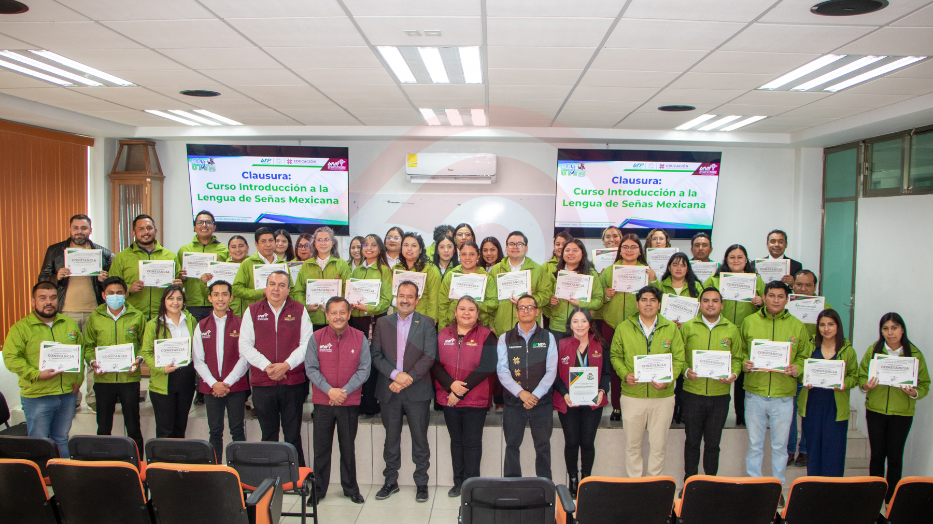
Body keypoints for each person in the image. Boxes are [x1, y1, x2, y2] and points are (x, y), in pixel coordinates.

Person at [740, 281, 811, 506]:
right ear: (764, 297)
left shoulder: (797, 325)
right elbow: (740, 351)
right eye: (772, 295)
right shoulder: (749, 321)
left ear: (787, 299)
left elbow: (805, 355)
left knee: (780, 447)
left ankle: (777, 488)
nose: (776, 300)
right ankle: (755, 486)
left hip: (783, 394)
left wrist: (798, 367)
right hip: (755, 392)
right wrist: (744, 363)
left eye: (781, 296)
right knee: (755, 445)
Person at [370, 281, 438, 503]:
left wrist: (406, 378)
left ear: (417, 300)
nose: (405, 300)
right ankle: (390, 481)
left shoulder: (427, 323)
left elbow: (429, 356)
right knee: (391, 440)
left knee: (420, 440)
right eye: (401, 295)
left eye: (410, 296)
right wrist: (395, 375)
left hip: (417, 390)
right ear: (395, 298)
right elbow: (375, 355)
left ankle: (421, 483)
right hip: (389, 390)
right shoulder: (383, 322)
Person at [38, 213, 113, 410]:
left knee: (94, 356)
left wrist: (104, 280)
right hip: (65, 312)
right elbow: (42, 279)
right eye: (76, 228)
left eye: (83, 228)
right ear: (70, 229)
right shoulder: (55, 250)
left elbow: (113, 286)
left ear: (90, 230)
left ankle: (93, 398)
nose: (79, 232)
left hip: (94, 312)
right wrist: (56, 276)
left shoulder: (103, 253)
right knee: (69, 357)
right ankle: (72, 399)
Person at [239, 271, 312, 466]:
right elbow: (244, 345)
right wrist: (267, 366)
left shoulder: (299, 310)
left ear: (288, 290)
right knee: (268, 435)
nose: (276, 289)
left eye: (281, 285)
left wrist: (286, 365)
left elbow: (307, 344)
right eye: (272, 284)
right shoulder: (252, 310)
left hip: (292, 382)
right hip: (263, 383)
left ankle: (297, 477)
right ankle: (270, 476)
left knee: (293, 435)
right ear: (265, 287)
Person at [611, 285, 685, 478]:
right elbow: (615, 355)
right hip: (633, 395)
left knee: (659, 446)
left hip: (662, 396)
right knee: (632, 445)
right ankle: (635, 484)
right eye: (644, 300)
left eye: (653, 300)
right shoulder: (624, 327)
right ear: (637, 304)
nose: (648, 304)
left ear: (659, 304)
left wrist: (668, 379)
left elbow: (679, 359)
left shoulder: (670, 328)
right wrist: (624, 374)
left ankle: (655, 485)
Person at [3, 282, 83, 458]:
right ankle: (42, 475)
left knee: (61, 438)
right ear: (33, 302)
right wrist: (37, 374)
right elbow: (11, 358)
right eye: (43, 298)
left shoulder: (69, 324)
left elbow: (80, 353)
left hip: (67, 395)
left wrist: (78, 381)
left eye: (53, 297)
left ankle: (63, 474)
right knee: (39, 444)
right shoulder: (21, 328)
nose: (49, 302)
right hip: (38, 396)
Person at [858, 313, 929, 505]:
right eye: (885, 328)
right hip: (875, 411)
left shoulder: (914, 354)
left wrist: (914, 392)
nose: (890, 333)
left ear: (902, 329)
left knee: (895, 457)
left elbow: (925, 384)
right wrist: (866, 386)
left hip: (902, 414)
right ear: (881, 331)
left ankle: (891, 500)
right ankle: (874, 497)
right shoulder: (874, 350)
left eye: (894, 328)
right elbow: (861, 376)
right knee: (877, 456)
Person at [305, 297, 371, 504]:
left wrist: (343, 392)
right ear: (326, 315)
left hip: (348, 402)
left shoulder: (360, 337)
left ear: (349, 314)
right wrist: (329, 391)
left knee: (348, 448)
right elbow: (311, 368)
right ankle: (318, 489)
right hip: (323, 402)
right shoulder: (316, 337)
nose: (338, 317)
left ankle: (351, 488)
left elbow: (364, 370)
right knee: (321, 449)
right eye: (333, 313)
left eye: (342, 312)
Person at [433, 296, 497, 497]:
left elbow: (487, 366)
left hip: (475, 399)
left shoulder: (487, 335)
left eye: (471, 309)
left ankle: (472, 485)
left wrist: (460, 391)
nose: (466, 313)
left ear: (477, 314)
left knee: (472, 442)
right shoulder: (443, 334)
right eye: (462, 308)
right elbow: (434, 364)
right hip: (448, 398)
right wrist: (450, 387)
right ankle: (458, 482)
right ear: (455, 312)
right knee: (456, 441)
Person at [680, 287, 743, 482]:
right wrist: (686, 371)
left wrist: (733, 374)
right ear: (700, 305)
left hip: (719, 396)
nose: (710, 304)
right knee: (692, 442)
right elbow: (679, 356)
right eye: (706, 300)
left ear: (722, 305)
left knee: (713, 444)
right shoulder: (688, 327)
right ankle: (690, 482)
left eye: (715, 300)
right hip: (693, 393)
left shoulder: (731, 329)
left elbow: (738, 358)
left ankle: (710, 484)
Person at [82, 276, 146, 457]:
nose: (115, 296)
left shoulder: (137, 316)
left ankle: (137, 464)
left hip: (129, 379)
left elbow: (145, 344)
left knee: (133, 425)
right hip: (104, 379)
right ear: (103, 295)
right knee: (103, 426)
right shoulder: (95, 317)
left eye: (119, 292)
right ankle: (104, 463)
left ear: (125, 294)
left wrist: (139, 359)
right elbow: (88, 346)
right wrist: (93, 362)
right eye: (110, 293)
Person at [703, 244, 765, 426]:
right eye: (732, 257)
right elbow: (702, 301)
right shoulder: (714, 280)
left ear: (746, 260)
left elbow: (769, 305)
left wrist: (761, 302)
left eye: (740, 257)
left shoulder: (757, 281)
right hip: (721, 332)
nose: (736, 260)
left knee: (741, 374)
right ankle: (712, 416)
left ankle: (741, 417)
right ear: (726, 260)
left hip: (747, 333)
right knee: (717, 370)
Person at [497, 295, 558, 479]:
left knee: (543, 446)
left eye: (530, 307)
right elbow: (502, 371)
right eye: (522, 308)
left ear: (537, 311)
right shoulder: (505, 338)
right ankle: (512, 485)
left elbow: (551, 371)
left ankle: (544, 484)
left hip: (542, 402)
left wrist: (535, 395)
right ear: (516, 313)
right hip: (514, 402)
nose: (526, 311)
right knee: (512, 446)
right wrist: (521, 393)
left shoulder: (548, 337)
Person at [598, 233, 656, 422]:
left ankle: (639, 406)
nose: (629, 250)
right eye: (625, 247)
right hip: (611, 325)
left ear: (640, 250)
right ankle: (616, 406)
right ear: (620, 249)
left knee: (635, 364)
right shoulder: (609, 271)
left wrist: (654, 280)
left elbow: (658, 298)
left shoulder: (646, 271)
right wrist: (607, 295)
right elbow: (598, 297)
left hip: (637, 326)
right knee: (615, 367)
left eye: (633, 247)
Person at [553, 308, 609, 496]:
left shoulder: (601, 345)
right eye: (575, 321)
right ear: (570, 325)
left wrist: (602, 390)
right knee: (571, 442)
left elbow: (606, 374)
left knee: (587, 442)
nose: (580, 325)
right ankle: (573, 480)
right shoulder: (560, 345)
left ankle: (586, 479)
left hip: (592, 403)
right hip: (568, 402)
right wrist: (564, 394)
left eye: (584, 321)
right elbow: (554, 375)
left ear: (590, 323)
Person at [192, 280, 250, 462]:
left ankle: (240, 470)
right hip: (211, 388)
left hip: (235, 387)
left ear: (231, 298)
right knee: (215, 431)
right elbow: (198, 360)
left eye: (224, 294)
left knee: (237, 430)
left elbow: (245, 357)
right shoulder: (201, 325)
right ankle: (215, 470)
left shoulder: (241, 324)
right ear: (209, 298)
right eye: (216, 294)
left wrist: (227, 382)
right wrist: (214, 384)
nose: (220, 298)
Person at [797, 309, 857, 477]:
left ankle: (833, 488)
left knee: (834, 451)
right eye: (822, 325)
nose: (826, 329)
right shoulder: (810, 346)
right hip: (812, 404)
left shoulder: (847, 350)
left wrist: (845, 384)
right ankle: (814, 487)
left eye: (831, 324)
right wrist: (804, 379)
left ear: (838, 326)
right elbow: (800, 369)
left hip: (835, 407)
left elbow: (854, 377)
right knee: (813, 449)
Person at [140, 284, 197, 438]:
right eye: (171, 298)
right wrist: (161, 369)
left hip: (186, 377)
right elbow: (146, 352)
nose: (175, 302)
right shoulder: (153, 324)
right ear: (164, 301)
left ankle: (178, 454)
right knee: (165, 430)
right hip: (163, 379)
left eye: (179, 298)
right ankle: (163, 455)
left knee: (180, 427)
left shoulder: (191, 321)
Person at [787, 268, 828, 466]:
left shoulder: (824, 309)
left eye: (808, 285)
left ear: (815, 287)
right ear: (793, 285)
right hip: (789, 366)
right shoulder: (784, 306)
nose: (803, 289)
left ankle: (804, 449)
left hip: (814, 366)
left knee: (808, 411)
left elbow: (831, 336)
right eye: (799, 284)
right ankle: (789, 450)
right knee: (790, 410)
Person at [350, 234, 394, 419]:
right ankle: (358, 401)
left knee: (373, 361)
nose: (368, 248)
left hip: (375, 322)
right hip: (356, 322)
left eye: (373, 245)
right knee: (357, 362)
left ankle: (371, 403)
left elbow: (386, 301)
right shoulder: (356, 271)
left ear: (380, 248)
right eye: (365, 245)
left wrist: (367, 308)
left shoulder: (385, 270)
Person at [109, 214, 182, 320]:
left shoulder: (170, 256)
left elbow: (178, 284)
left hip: (162, 315)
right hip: (132, 315)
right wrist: (129, 288)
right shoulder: (122, 257)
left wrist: (178, 284)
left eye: (149, 228)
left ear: (155, 231)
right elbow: (111, 286)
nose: (146, 232)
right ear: (134, 233)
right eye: (141, 229)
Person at [542, 239, 604, 340]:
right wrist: (551, 301)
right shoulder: (554, 272)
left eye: (575, 250)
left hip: (581, 327)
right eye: (567, 250)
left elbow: (598, 301)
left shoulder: (591, 274)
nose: (570, 253)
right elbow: (545, 295)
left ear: (582, 253)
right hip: (557, 326)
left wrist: (580, 303)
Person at [488, 231, 547, 337]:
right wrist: (491, 324)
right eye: (511, 244)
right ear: (506, 248)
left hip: (529, 330)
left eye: (519, 244)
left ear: (526, 248)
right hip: (502, 330)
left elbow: (546, 295)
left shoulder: (538, 269)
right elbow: (490, 299)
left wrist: (527, 300)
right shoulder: (496, 270)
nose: (515, 247)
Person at [291, 226, 350, 330]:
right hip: (312, 319)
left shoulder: (342, 264)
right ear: (314, 243)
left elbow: (348, 291)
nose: (323, 243)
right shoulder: (306, 265)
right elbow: (298, 292)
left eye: (326, 239)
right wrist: (306, 306)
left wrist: (335, 306)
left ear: (332, 243)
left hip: (337, 319)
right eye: (319, 240)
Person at [177, 210, 229, 322]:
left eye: (208, 222)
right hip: (192, 304)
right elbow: (177, 281)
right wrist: (182, 278)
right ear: (195, 227)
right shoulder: (184, 250)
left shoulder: (224, 250)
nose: (204, 225)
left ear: (214, 227)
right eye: (200, 222)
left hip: (216, 303)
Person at [437, 241, 496, 330]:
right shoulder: (450, 276)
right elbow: (442, 305)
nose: (467, 258)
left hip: (480, 327)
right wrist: (442, 328)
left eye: (472, 254)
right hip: (453, 326)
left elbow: (493, 304)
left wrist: (473, 303)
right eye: (464, 254)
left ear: (478, 256)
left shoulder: (487, 279)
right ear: (459, 256)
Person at [232, 227, 288, 310]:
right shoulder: (248, 263)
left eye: (271, 240)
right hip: (255, 311)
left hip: (280, 311)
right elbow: (236, 289)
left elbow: (290, 289)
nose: (268, 244)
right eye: (263, 241)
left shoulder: (282, 263)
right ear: (256, 244)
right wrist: (262, 292)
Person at [394, 232, 442, 323]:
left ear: (420, 250)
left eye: (414, 245)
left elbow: (434, 300)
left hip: (421, 320)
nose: (409, 248)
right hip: (400, 320)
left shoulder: (431, 270)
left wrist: (429, 323)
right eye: (406, 245)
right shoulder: (396, 269)